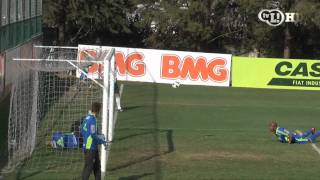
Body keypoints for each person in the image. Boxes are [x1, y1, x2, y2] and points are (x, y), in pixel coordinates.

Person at [81, 102, 107, 180]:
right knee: (89, 168)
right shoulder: (92, 120)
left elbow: (82, 130)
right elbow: (93, 135)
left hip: (89, 146)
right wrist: (102, 141)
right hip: (90, 148)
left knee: (97, 167)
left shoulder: (86, 118)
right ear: (98, 110)